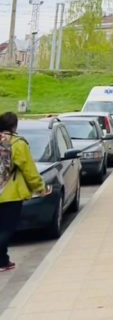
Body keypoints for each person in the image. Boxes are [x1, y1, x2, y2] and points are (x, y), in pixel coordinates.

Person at [0, 112, 51, 273]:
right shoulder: (18, 144)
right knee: (7, 229)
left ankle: (3, 260)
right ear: (15, 126)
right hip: (9, 194)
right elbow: (29, 171)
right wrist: (41, 188)